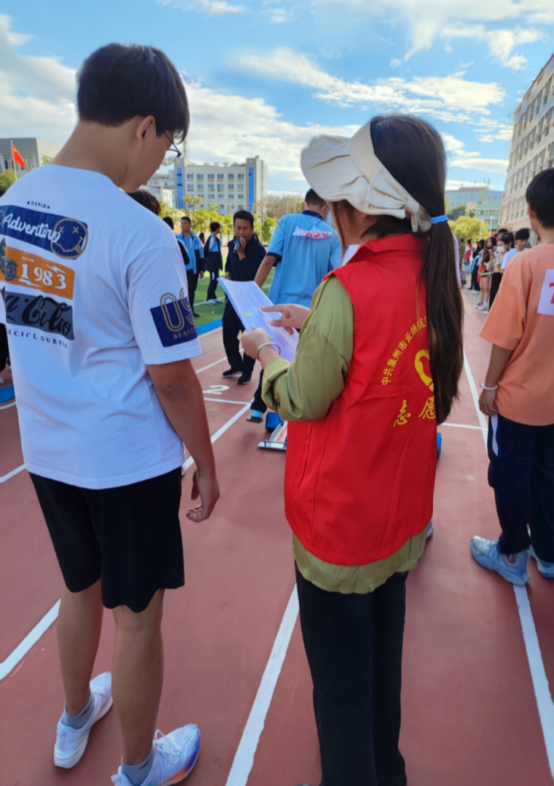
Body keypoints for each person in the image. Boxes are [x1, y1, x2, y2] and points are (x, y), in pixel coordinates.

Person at [0, 43, 220, 786]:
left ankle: (73, 720)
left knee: (77, 586)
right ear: (145, 126)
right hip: (126, 461)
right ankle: (138, 767)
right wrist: (207, 464)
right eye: (168, 146)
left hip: (47, 450)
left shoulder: (11, 208)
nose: (160, 163)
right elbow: (173, 379)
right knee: (136, 617)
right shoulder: (139, 232)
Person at [242, 115, 464, 786]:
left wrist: (266, 354)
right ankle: (384, 768)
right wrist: (313, 324)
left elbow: (302, 398)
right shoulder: (431, 276)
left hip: (340, 528)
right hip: (398, 519)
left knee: (339, 691)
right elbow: (398, 374)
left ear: (362, 206)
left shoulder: (349, 288)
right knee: (381, 668)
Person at [471, 168, 554, 584]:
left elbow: (505, 337)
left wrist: (489, 386)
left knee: (511, 473)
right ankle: (548, 550)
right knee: (548, 474)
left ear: (532, 212)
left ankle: (512, 554)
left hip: (520, 400)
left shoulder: (526, 265)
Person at [246, 189, 342, 422]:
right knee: (303, 363)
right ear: (327, 209)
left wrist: (251, 294)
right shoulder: (332, 235)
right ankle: (284, 417)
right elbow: (338, 274)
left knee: (273, 352)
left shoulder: (287, 222)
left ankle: (259, 407)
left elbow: (268, 259)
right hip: (310, 310)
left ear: (303, 204)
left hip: (278, 307)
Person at [221, 210, 266, 385]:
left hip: (249, 301)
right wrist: (228, 272)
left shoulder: (258, 250)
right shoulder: (233, 244)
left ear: (252, 229)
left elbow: (252, 275)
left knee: (249, 336)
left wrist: (241, 255)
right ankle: (235, 365)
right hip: (233, 298)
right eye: (238, 228)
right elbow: (228, 263)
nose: (241, 232)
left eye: (245, 228)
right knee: (228, 333)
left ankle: (247, 372)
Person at [176, 216, 204, 318]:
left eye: (185, 223)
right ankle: (182, 312)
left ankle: (191, 310)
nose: (182, 225)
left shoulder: (196, 238)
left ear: (190, 225)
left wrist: (201, 269)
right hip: (182, 270)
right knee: (182, 291)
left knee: (191, 290)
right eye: (181, 223)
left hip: (193, 270)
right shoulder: (177, 238)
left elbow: (201, 254)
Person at [489, 232, 513, 310]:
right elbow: (489, 269)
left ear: (506, 245)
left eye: (501, 245)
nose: (499, 247)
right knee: (493, 295)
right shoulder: (497, 255)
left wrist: (501, 267)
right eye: (498, 245)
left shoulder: (509, 255)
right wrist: (491, 260)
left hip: (504, 279)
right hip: (495, 278)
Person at [204, 221, 223, 304]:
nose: (219, 229)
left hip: (216, 264)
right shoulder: (211, 239)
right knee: (213, 280)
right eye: (219, 228)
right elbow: (207, 250)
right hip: (212, 264)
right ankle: (209, 298)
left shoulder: (216, 239)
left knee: (216, 280)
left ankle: (213, 296)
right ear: (217, 229)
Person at [477, 236, 496, 311]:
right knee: (482, 287)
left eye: (490, 242)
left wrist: (485, 264)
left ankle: (485, 303)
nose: (489, 243)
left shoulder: (493, 252)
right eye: (487, 241)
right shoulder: (484, 251)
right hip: (482, 269)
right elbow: (481, 261)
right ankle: (481, 302)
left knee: (486, 288)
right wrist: (479, 269)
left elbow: (492, 263)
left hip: (488, 270)